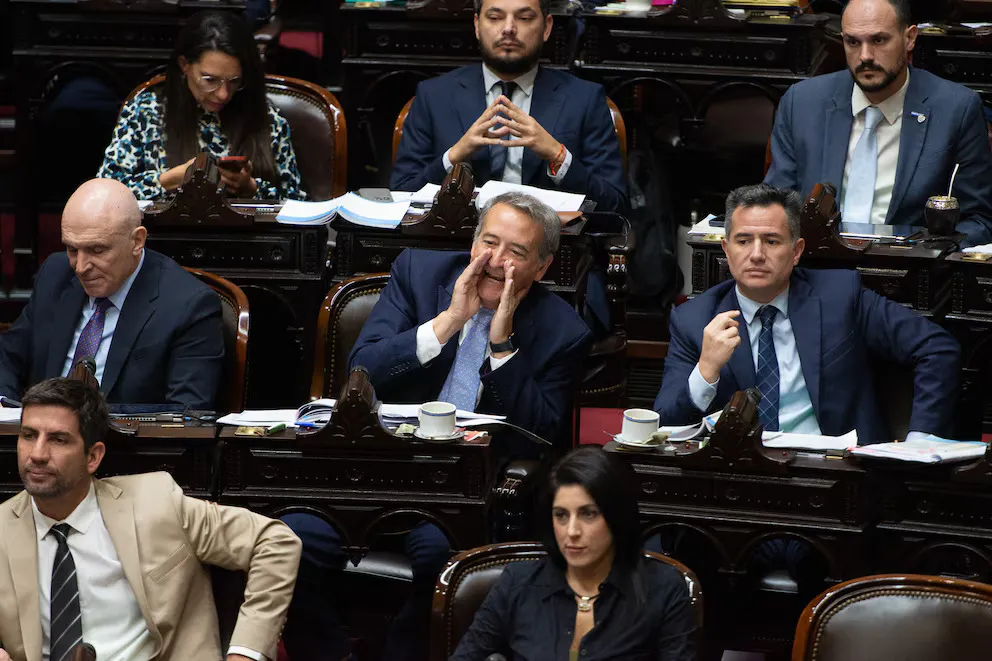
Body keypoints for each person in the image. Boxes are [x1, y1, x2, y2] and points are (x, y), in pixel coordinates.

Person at [281, 192, 592, 661]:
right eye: (489, 243)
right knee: (288, 543)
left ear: (542, 266)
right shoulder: (418, 274)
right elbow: (361, 371)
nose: (496, 262)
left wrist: (502, 346)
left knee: (440, 560)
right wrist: (449, 321)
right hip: (370, 473)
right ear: (473, 243)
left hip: (457, 493)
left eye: (516, 252)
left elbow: (542, 433)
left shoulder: (563, 330)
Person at [0, 377, 302, 661]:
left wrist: (245, 652)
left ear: (93, 457)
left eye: (58, 439)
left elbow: (274, 542)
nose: (37, 454)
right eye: (29, 435)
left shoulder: (156, 502)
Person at [654, 183, 960, 444]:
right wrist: (706, 371)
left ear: (796, 251)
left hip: (838, 469)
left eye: (771, 241)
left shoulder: (841, 297)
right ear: (726, 249)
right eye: (744, 241)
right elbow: (666, 423)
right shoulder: (694, 320)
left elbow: (937, 348)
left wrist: (920, 441)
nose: (756, 254)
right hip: (741, 474)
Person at [763, 0, 992, 246]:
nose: (865, 56)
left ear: (910, 38)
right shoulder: (802, 103)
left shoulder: (956, 109)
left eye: (879, 40)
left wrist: (928, 253)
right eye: (853, 42)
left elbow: (979, 220)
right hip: (816, 262)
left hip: (910, 263)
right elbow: (775, 209)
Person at [451, 445, 696, 661]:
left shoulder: (664, 589)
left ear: (617, 516)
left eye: (588, 514)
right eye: (561, 515)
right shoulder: (517, 583)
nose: (572, 531)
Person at [0, 178, 225, 410]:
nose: (81, 267)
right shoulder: (55, 274)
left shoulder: (188, 305)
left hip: (120, 433)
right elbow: (7, 356)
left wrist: (81, 417)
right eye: (72, 249)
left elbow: (186, 411)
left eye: (97, 250)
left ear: (137, 241)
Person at [390, 0, 627, 213]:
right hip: (455, 239)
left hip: (551, 242)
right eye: (495, 17)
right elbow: (400, 194)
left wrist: (557, 155)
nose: (509, 29)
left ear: (546, 27)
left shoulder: (584, 98)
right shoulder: (434, 95)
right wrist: (454, 155)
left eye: (524, 18)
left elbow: (614, 203)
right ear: (477, 25)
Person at [97, 10, 306, 201]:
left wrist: (251, 189)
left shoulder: (267, 118)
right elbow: (106, 195)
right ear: (184, 65)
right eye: (210, 80)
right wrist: (169, 181)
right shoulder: (146, 112)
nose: (223, 94)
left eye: (234, 81)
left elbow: (297, 204)